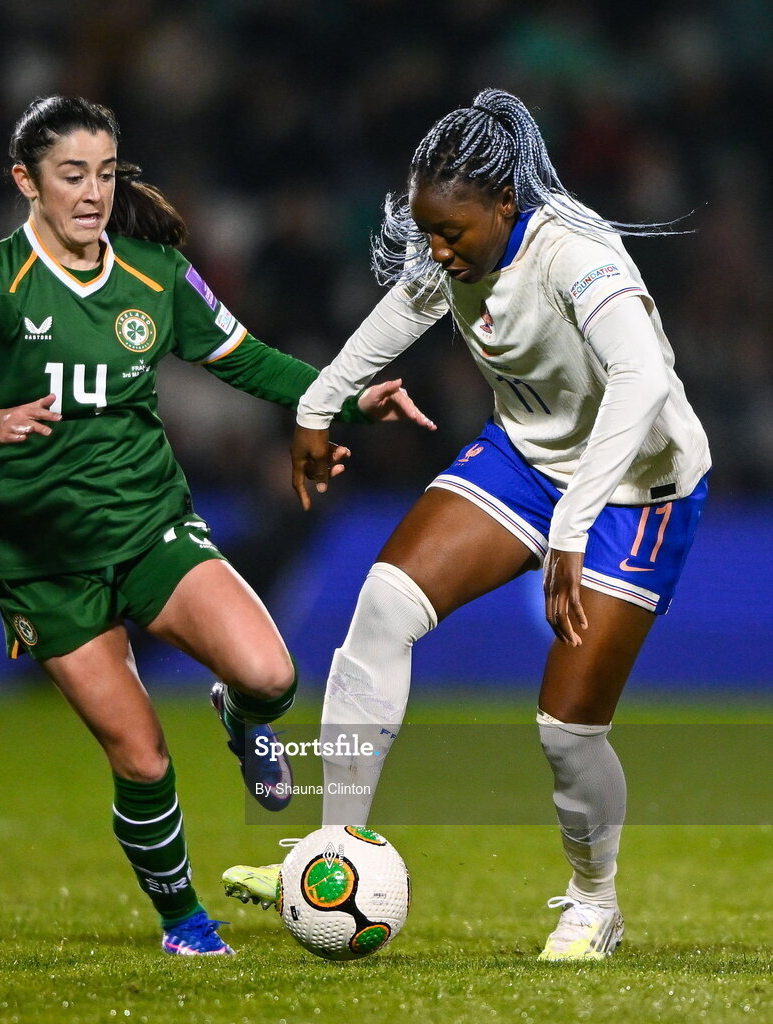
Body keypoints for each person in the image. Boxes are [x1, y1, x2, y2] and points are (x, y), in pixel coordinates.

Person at [0, 95, 435, 956]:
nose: (92, 192)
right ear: (27, 182)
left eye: (103, 172)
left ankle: (242, 720)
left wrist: (347, 401)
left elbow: (246, 358)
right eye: (71, 175)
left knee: (272, 675)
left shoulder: (155, 276)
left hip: (150, 528)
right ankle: (184, 922)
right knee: (140, 759)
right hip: (43, 564)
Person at [221, 88, 711, 961]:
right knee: (382, 606)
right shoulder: (448, 250)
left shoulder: (575, 254)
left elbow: (639, 382)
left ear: (504, 205)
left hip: (640, 482)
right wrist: (318, 402)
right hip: (527, 461)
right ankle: (330, 854)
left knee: (567, 731)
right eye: (426, 231)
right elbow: (398, 314)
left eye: (451, 232)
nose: (437, 250)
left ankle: (594, 904)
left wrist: (571, 525)